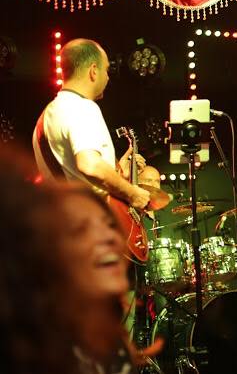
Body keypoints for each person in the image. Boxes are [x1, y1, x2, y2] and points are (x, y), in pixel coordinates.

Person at [0, 147, 134, 374]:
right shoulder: (28, 354)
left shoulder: (111, 346)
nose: (109, 236)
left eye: (110, 224)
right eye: (80, 229)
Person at [32, 38, 149, 210]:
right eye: (106, 70)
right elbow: (90, 165)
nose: (107, 77)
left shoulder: (46, 116)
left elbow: (73, 174)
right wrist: (132, 193)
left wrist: (116, 172)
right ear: (94, 71)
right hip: (88, 219)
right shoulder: (82, 107)